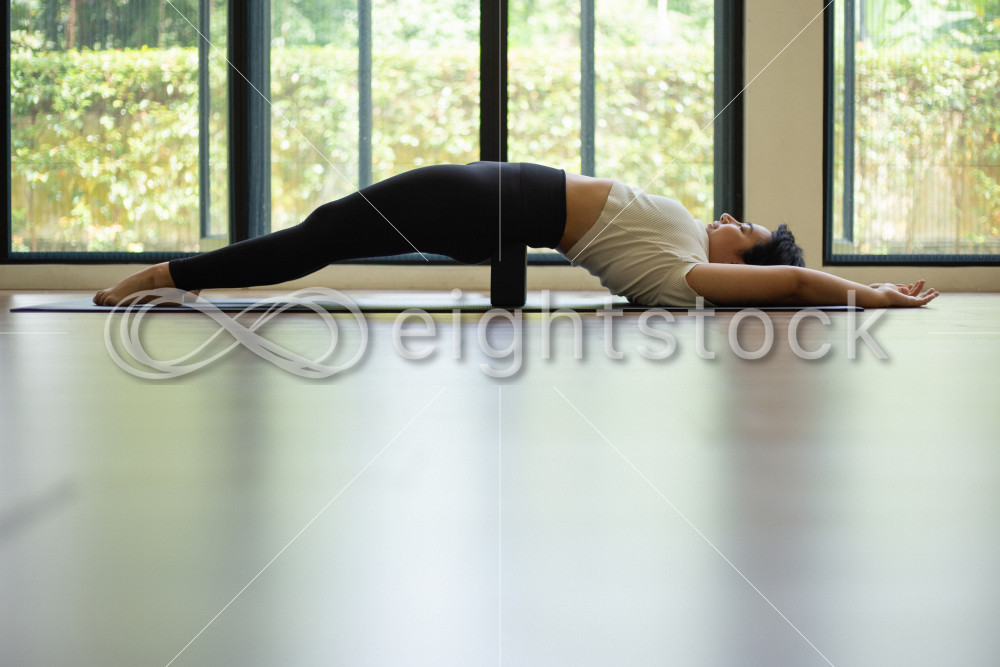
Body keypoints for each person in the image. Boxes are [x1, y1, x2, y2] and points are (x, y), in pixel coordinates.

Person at [93, 161, 939, 308]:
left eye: (741, 228)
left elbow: (795, 283)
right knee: (323, 233)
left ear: (746, 261)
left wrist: (872, 295)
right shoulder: (683, 256)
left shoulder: (689, 276)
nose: (726, 217)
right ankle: (176, 274)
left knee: (321, 234)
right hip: (493, 201)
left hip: (488, 204)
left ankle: (167, 274)